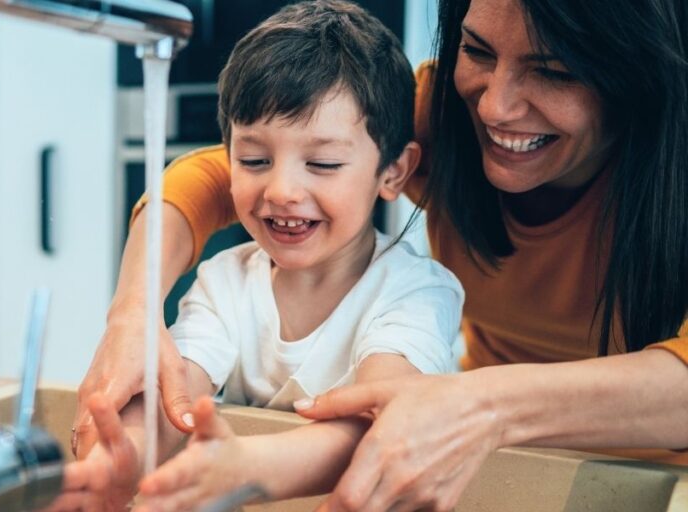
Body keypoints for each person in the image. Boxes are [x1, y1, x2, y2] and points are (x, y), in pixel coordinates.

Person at [75, 0, 688, 510]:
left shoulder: (414, 290)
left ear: (638, 73)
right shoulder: (444, 114)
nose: (495, 107)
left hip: (657, 480)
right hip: (485, 460)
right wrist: (132, 311)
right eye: (476, 51)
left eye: (553, 69)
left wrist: (481, 404)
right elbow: (216, 174)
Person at [48, 2, 463, 510]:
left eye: (323, 163)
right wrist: (120, 458)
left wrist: (246, 468)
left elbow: (385, 418)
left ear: (393, 173)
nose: (283, 189)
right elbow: (174, 396)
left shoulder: (418, 291)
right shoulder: (224, 282)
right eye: (254, 160)